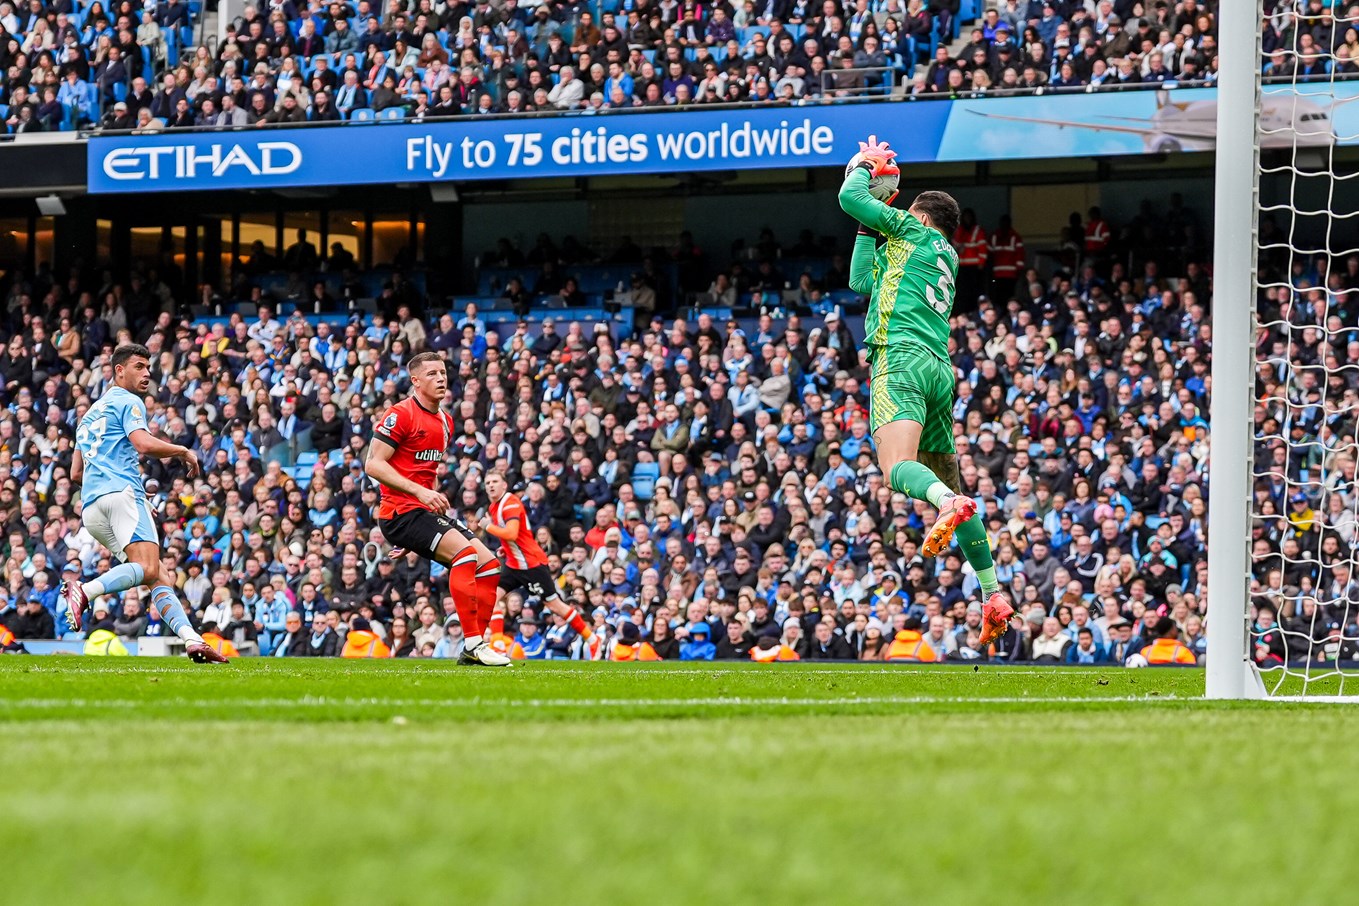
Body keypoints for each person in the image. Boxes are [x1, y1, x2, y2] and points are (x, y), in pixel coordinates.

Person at [838, 135, 1013, 647]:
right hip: (940, 370)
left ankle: (944, 503)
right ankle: (992, 591)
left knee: (897, 469)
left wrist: (865, 169)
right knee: (948, 483)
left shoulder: (913, 228)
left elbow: (851, 196)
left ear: (920, 215)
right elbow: (861, 282)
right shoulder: (947, 256)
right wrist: (868, 225)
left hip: (901, 358)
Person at [65, 344, 227, 663]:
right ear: (118, 370)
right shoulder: (129, 401)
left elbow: (75, 473)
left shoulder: (88, 416)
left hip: (92, 509)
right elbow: (142, 443)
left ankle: (192, 640)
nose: (147, 373)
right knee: (150, 567)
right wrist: (181, 450)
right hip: (122, 496)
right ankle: (85, 590)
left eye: (148, 367)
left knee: (156, 575)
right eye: (139, 366)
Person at [366, 352, 510, 666]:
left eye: (443, 372)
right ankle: (473, 644)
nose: (441, 378)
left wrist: (419, 522)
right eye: (432, 374)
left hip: (420, 514)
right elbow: (373, 465)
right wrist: (420, 494)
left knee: (489, 565)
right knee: (466, 555)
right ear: (415, 381)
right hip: (399, 513)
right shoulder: (400, 414)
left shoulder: (446, 421)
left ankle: (477, 646)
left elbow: (422, 471)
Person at [480, 470, 597, 654]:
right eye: (487, 482)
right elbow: (514, 536)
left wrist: (488, 526)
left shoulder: (509, 503)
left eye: (495, 481)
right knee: (490, 596)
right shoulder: (494, 506)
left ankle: (592, 639)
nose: (491, 485)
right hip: (514, 563)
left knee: (555, 606)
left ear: (505, 485)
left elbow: (511, 532)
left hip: (530, 564)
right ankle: (498, 644)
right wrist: (506, 548)